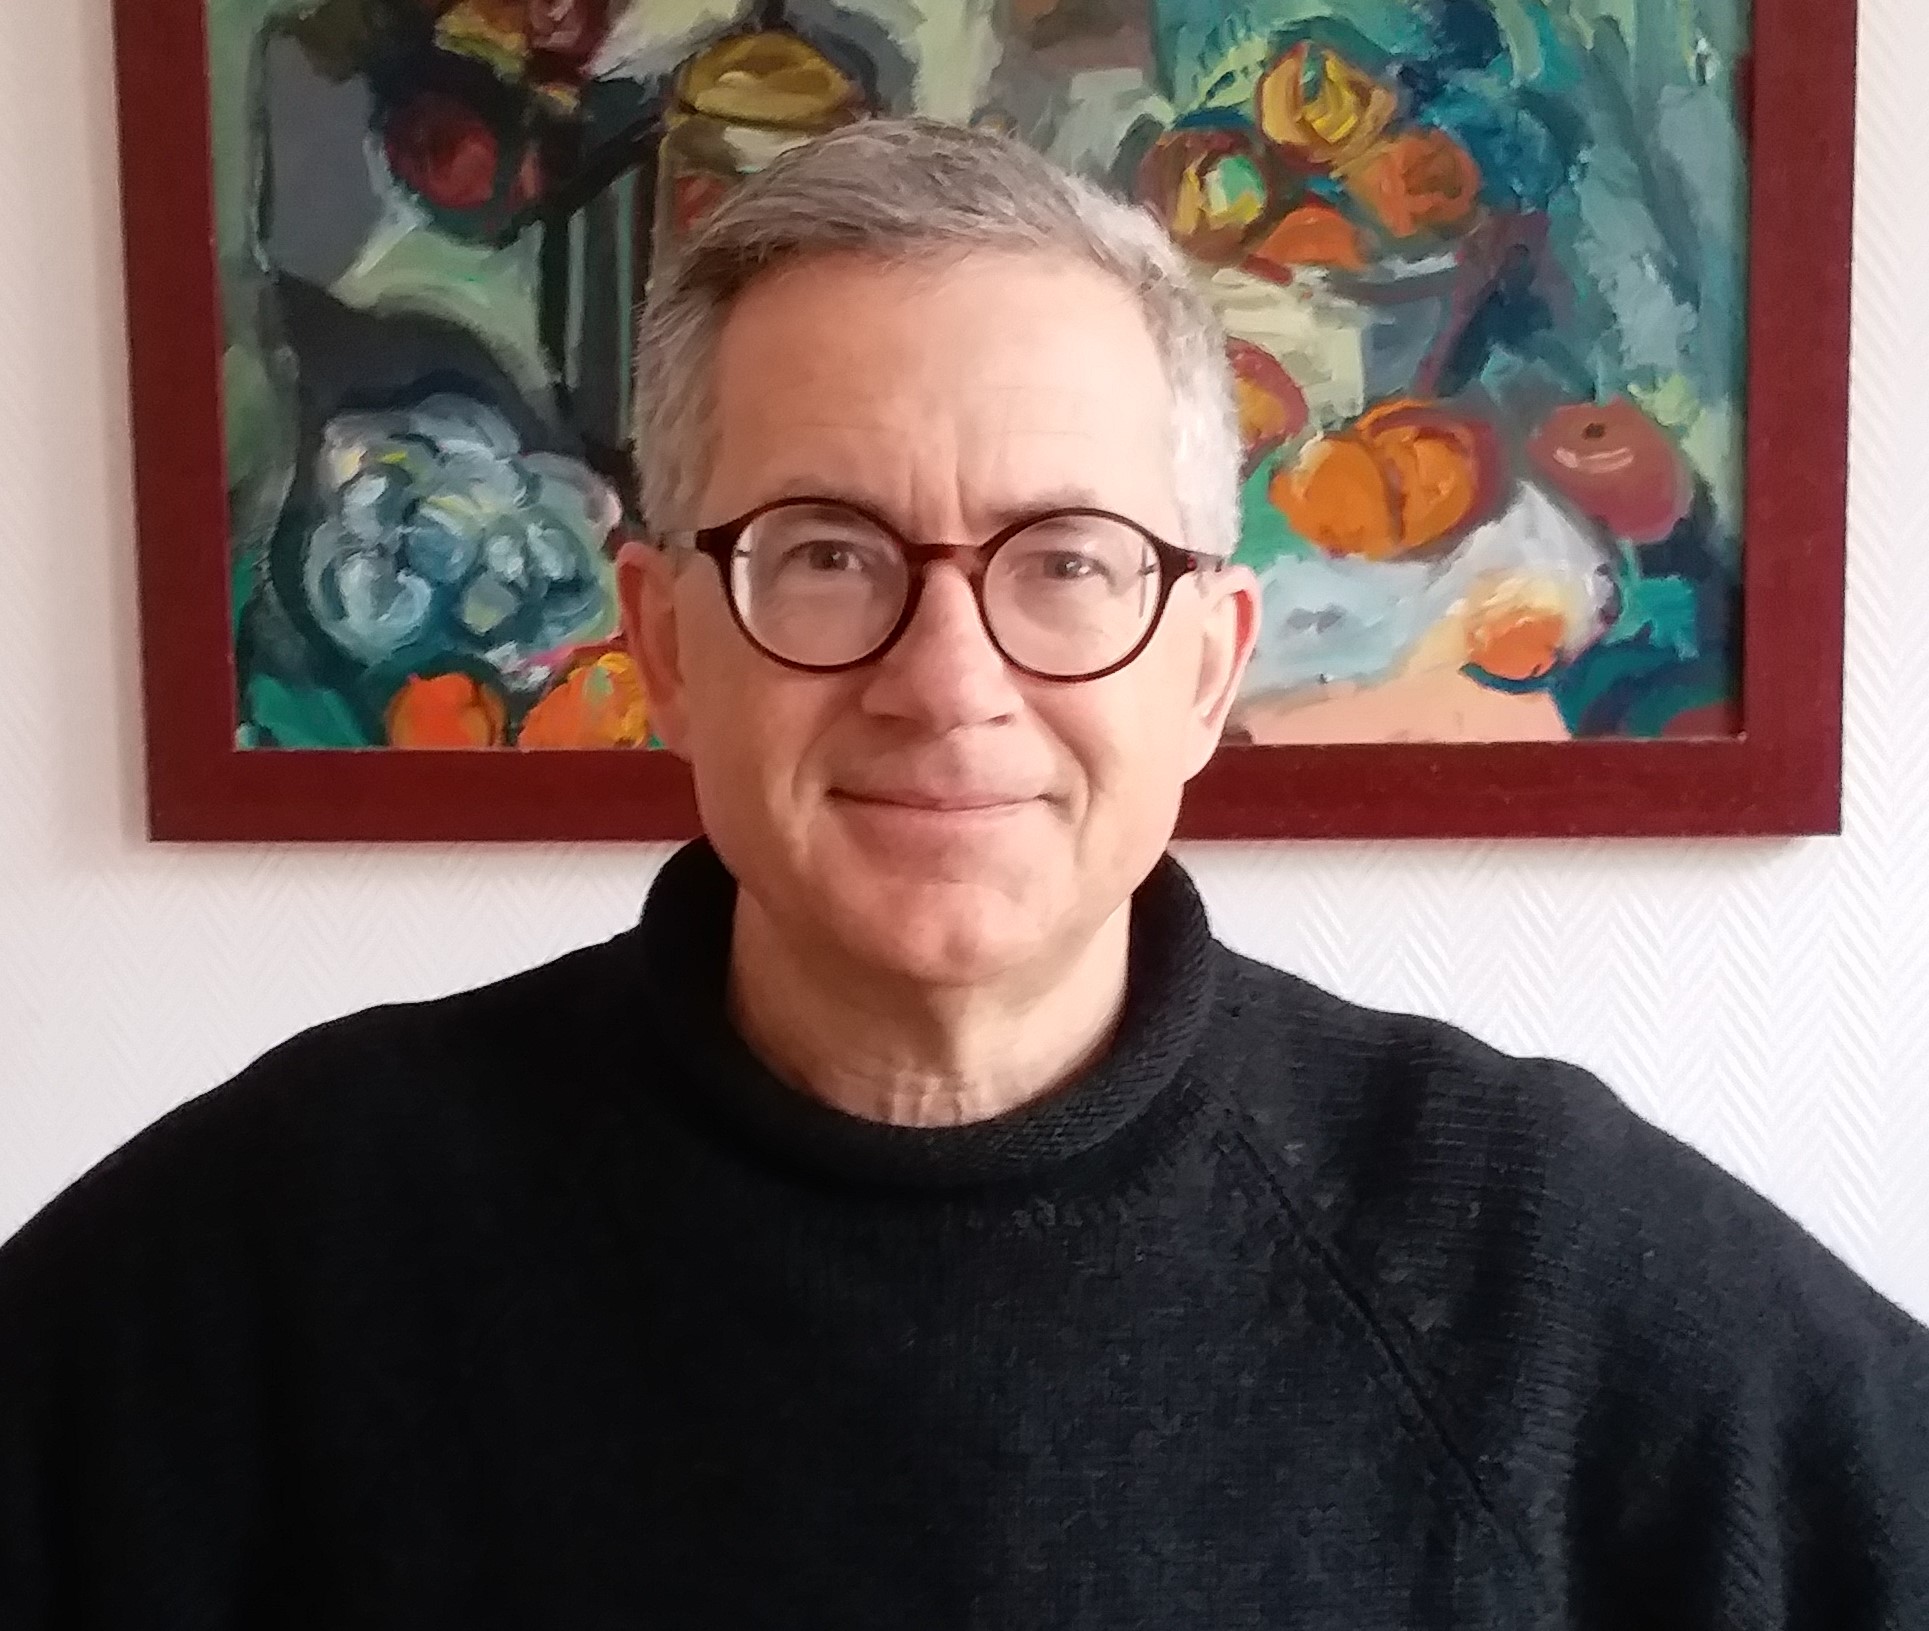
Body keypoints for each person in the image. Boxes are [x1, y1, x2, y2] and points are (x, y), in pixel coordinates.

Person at [2, 117, 1925, 1629]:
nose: (946, 682)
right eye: (826, 552)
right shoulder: (276, 1242)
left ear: (1205, 666)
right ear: (666, 644)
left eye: (1067, 560)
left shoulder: (1535, 1262)